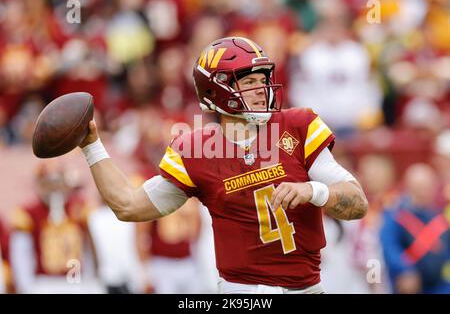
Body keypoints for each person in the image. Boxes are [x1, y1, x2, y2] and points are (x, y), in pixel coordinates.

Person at [78, 37, 368, 294]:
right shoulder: (196, 151)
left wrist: (314, 191)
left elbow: (357, 203)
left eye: (263, 79)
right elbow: (129, 205)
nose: (262, 89)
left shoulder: (297, 126)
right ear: (217, 90)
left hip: (304, 289)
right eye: (249, 82)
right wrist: (91, 146)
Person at [9, 161, 101, 293]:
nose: (54, 189)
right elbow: (21, 256)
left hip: (76, 282)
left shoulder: (80, 209)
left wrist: (90, 280)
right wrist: (26, 287)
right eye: (48, 184)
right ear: (39, 184)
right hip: (44, 283)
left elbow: (88, 250)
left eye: (58, 183)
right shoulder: (29, 213)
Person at [380, 163, 450, 294]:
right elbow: (390, 247)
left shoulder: (439, 216)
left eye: (428, 187)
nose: (425, 192)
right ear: (409, 187)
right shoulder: (396, 216)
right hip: (410, 283)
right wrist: (405, 269)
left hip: (439, 284)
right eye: (420, 187)